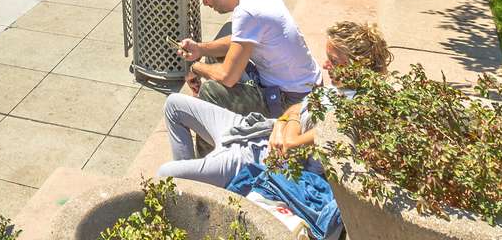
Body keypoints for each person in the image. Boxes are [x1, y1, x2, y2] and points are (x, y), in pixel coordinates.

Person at [157, 19, 390, 190]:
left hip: (255, 157)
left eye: (335, 61)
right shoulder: (341, 88)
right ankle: (190, 191)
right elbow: (296, 108)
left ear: (358, 66)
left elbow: (290, 146)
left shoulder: (350, 113)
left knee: (166, 174)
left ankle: (188, 186)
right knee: (174, 104)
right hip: (258, 129)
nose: (326, 65)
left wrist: (287, 124)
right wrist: (285, 122)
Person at [178, 0, 321, 117]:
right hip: (308, 86)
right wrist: (200, 49)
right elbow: (236, 40)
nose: (204, 3)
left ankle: (216, 140)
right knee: (214, 55)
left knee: (210, 92)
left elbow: (228, 77)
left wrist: (195, 67)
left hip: (292, 101)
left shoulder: (247, 13)